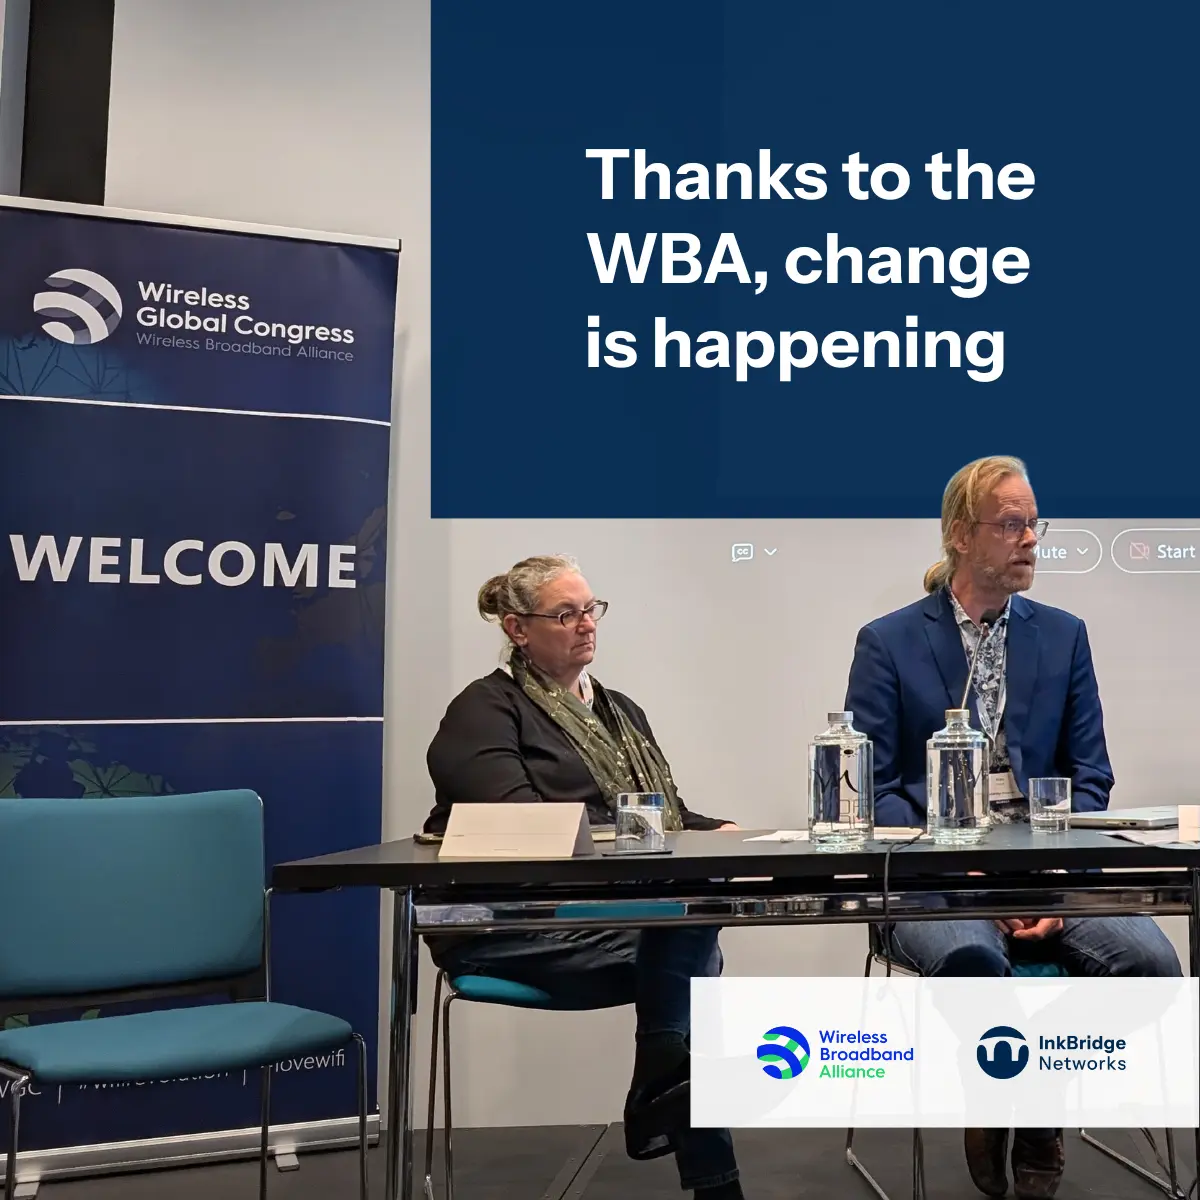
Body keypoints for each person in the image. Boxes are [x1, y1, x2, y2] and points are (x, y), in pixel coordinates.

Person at [844, 455, 1181, 1200]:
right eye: (1011, 524)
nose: (1030, 539)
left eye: (1035, 523)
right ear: (962, 536)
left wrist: (1052, 882)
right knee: (974, 964)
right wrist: (958, 868)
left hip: (1050, 873)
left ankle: (1033, 1098)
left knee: (1153, 966)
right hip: (936, 882)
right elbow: (872, 787)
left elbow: (1090, 775)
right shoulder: (889, 641)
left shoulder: (1063, 636)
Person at [423, 554, 744, 1200]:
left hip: (606, 923)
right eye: (564, 614)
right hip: (509, 925)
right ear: (517, 628)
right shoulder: (484, 711)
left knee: (691, 926)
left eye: (590, 610)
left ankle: (661, 1081)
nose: (585, 625)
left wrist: (720, 832)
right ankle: (703, 1163)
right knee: (690, 949)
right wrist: (650, 848)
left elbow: (665, 816)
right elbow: (524, 829)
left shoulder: (620, 710)